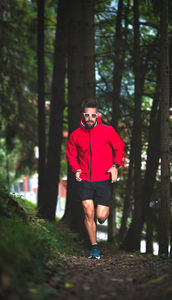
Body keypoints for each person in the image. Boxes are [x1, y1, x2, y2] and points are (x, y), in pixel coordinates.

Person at [66, 99, 125, 259]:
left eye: (93, 115)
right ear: (83, 115)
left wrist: (115, 165)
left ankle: (103, 215)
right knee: (88, 212)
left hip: (103, 178)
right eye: (87, 115)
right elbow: (71, 154)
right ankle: (94, 247)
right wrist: (76, 169)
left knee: (100, 216)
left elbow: (120, 148)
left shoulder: (108, 131)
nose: (90, 118)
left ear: (97, 115)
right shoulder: (75, 135)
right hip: (85, 178)